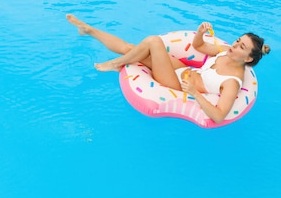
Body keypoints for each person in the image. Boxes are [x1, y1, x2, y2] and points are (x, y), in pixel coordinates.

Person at [66, 14, 270, 124]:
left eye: (241, 46)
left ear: (249, 58)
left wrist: (194, 93)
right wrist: (200, 32)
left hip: (178, 84)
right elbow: (199, 47)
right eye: (237, 40)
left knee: (154, 42)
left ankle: (115, 63)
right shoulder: (226, 51)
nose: (234, 45)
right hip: (183, 70)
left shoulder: (232, 82)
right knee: (131, 48)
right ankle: (89, 30)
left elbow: (218, 115)